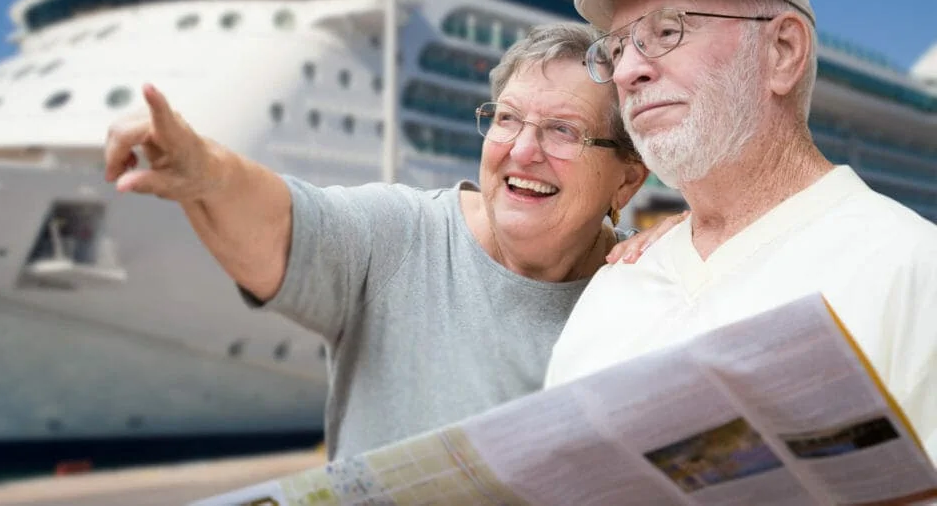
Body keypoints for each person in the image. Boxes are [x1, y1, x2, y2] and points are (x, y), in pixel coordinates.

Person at [104, 23, 676, 459]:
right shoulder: (401, 237)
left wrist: (703, 242)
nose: (523, 151)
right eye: (506, 120)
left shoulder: (653, 280)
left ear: (628, 177)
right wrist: (206, 173)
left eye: (562, 130)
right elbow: (285, 226)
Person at [544, 0, 937, 458]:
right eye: (615, 50)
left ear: (782, 51)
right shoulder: (619, 283)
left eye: (667, 31)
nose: (628, 71)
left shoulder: (912, 267)